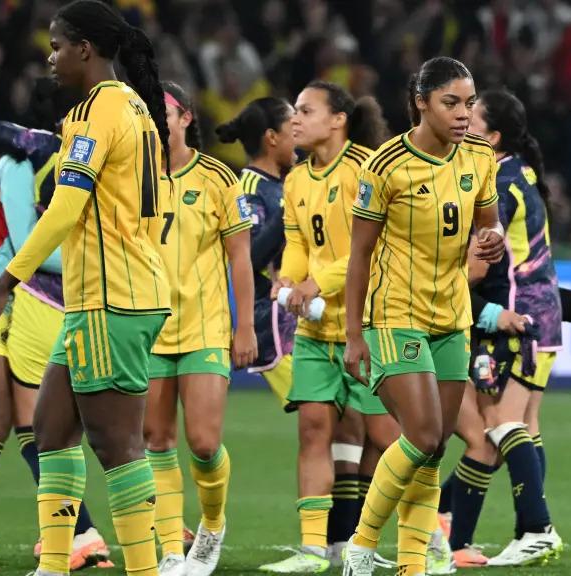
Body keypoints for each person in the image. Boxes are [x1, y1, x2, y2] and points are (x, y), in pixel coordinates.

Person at [0, 2, 172, 574]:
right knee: (51, 429)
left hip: (111, 301)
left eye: (57, 46)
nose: (50, 57)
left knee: (116, 446)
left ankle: (144, 569)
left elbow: (64, 208)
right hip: (111, 296)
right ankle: (53, 566)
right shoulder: (134, 107)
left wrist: (3, 286)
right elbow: (149, 215)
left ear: (86, 49)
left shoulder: (94, 112)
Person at [340, 56, 504, 576]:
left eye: (468, 104)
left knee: (431, 452)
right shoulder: (385, 166)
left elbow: (489, 224)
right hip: (394, 314)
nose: (462, 114)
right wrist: (353, 336)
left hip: (451, 316)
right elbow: (360, 255)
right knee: (425, 434)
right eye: (450, 103)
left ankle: (413, 564)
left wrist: (492, 241)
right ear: (421, 103)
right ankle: (361, 547)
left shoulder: (480, 156)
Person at [259, 80, 400, 574]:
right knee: (313, 429)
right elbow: (298, 241)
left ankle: (426, 535)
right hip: (316, 331)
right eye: (294, 111)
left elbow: (371, 249)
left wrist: (316, 283)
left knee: (389, 437)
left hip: (367, 326)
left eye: (306, 110)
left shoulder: (366, 169)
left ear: (338, 119)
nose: (294, 119)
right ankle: (314, 549)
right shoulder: (296, 180)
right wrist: (292, 278)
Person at [439, 88, 565, 568]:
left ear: (491, 137)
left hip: (518, 318)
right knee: (524, 428)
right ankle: (514, 527)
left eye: (471, 120)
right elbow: (530, 254)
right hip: (538, 313)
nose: (462, 123)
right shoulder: (521, 173)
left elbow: (475, 265)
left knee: (499, 425)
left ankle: (537, 527)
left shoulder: (497, 183)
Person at [143, 80, 257, 576]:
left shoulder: (217, 177)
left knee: (205, 443)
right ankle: (171, 548)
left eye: (162, 111)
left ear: (186, 117)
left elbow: (240, 259)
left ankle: (211, 525)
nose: (153, 120)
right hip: (146, 328)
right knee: (156, 439)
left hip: (205, 326)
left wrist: (245, 326)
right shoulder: (131, 175)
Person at [220, 97, 298, 407]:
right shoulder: (249, 187)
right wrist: (285, 216)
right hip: (272, 321)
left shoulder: (285, 184)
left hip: (297, 314)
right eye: (293, 126)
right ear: (272, 137)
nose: (300, 133)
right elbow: (248, 258)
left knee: (343, 424)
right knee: (328, 419)